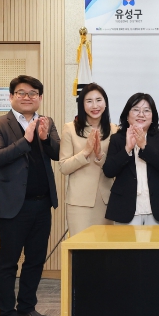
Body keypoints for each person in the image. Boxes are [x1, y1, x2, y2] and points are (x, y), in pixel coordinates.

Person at [0, 75, 59, 316]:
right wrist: (25, 140)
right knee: (8, 262)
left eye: (33, 93)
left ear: (40, 97)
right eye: (21, 93)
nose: (27, 97)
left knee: (36, 260)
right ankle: (7, 314)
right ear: (11, 97)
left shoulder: (46, 122)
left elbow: (57, 154)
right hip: (12, 207)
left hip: (42, 205)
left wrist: (45, 138)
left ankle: (26, 308)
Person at [103, 93, 159, 225]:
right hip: (125, 207)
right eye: (136, 110)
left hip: (157, 205)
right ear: (127, 115)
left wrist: (144, 146)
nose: (141, 114)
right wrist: (127, 149)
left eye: (147, 110)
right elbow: (108, 171)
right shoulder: (117, 139)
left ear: (153, 117)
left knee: (158, 240)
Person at [59, 83, 118, 236]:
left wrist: (99, 155)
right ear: (82, 105)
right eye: (89, 101)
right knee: (81, 247)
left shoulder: (114, 129)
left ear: (105, 103)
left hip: (106, 200)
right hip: (79, 202)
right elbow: (64, 167)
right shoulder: (70, 128)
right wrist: (85, 152)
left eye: (99, 100)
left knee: (104, 247)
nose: (95, 106)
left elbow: (116, 167)